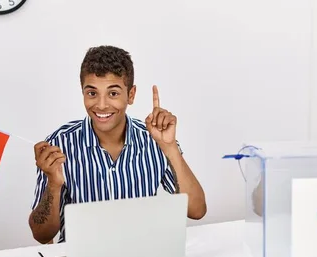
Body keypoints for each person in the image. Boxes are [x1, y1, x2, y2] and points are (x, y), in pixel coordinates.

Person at [28, 45, 207, 244]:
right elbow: (41, 234)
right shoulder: (59, 143)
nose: (102, 105)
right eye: (92, 93)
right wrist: (53, 184)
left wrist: (170, 147)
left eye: (113, 93)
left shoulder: (153, 139)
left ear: (130, 95)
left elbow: (197, 210)